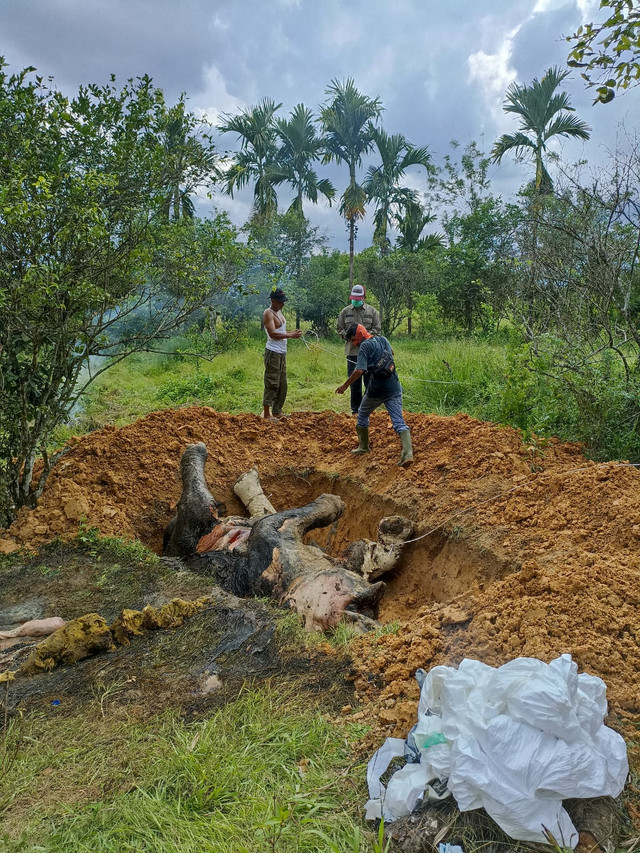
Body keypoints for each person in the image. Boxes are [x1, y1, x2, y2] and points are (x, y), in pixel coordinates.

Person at [335, 323, 413, 466]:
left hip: (376, 390)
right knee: (398, 421)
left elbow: (359, 370)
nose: (353, 342)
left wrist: (345, 386)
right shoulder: (383, 339)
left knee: (363, 413)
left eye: (353, 338)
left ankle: (363, 447)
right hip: (394, 387)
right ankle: (408, 453)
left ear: (357, 335)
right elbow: (392, 353)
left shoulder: (364, 346)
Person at [336, 284, 381, 415]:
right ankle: (356, 410)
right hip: (352, 352)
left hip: (369, 353)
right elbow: (339, 329)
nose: (355, 301)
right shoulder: (345, 312)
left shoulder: (372, 311)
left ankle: (368, 409)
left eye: (358, 298)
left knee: (369, 381)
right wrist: (348, 335)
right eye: (353, 298)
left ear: (364, 297)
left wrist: (364, 336)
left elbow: (377, 329)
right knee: (354, 382)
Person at [261, 287, 302, 421]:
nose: (282, 304)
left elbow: (280, 330)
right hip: (273, 352)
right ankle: (267, 413)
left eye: (283, 302)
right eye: (280, 302)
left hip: (282, 353)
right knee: (272, 382)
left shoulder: (279, 311)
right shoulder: (268, 313)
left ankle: (277, 411)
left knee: (282, 384)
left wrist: (292, 332)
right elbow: (272, 333)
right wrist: (291, 335)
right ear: (273, 301)